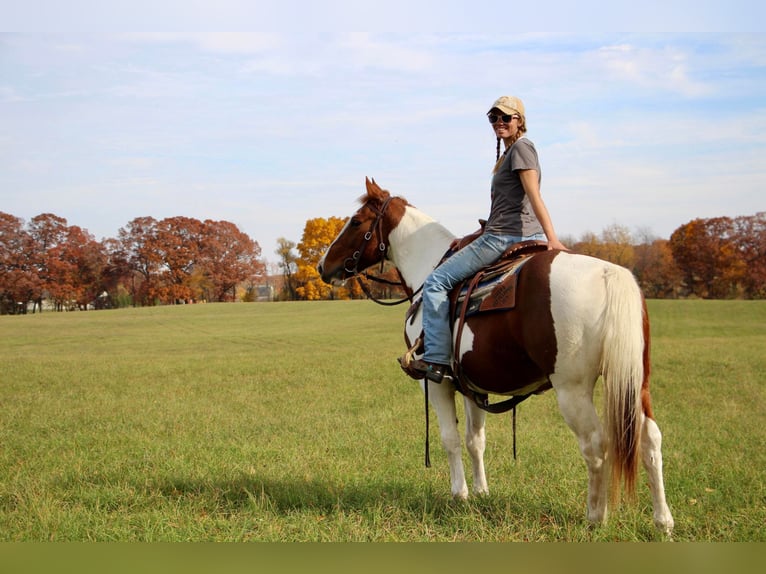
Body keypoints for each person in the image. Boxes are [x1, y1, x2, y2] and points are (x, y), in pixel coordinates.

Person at [409, 95, 567, 384]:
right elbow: (506, 207)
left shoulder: (521, 148)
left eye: (506, 117)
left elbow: (534, 195)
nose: (499, 123)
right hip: (499, 232)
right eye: (494, 118)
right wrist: (471, 236)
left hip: (503, 238)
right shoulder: (509, 154)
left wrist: (552, 239)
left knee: (435, 283)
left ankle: (437, 360)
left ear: (520, 120)